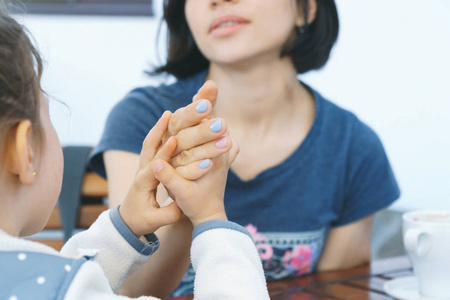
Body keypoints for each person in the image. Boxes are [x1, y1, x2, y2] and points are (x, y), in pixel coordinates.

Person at [89, 0, 401, 297]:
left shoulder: (354, 146)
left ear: (305, 9)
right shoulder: (146, 120)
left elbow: (335, 290)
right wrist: (186, 209)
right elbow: (123, 289)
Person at [0, 12, 270, 300]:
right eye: (49, 114)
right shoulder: (56, 284)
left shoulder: (37, 279)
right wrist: (210, 217)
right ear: (25, 151)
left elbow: (69, 280)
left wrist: (126, 224)